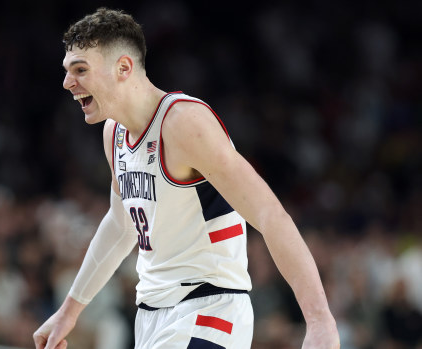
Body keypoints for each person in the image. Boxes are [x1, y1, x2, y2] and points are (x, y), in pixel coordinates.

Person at [34, 8, 340, 349]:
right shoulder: (114, 133)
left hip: (209, 310)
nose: (67, 82)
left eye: (80, 70)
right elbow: (122, 224)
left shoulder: (183, 123)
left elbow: (270, 214)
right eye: (67, 71)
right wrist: (69, 311)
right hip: (151, 316)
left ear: (123, 68)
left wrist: (319, 320)